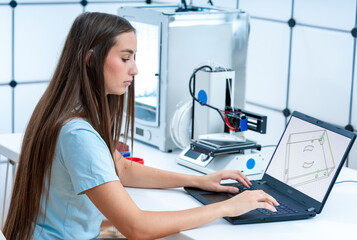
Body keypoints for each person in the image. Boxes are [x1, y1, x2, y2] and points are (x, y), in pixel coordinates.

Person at [2, 12, 278, 240]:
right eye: (125, 58)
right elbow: (137, 227)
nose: (134, 69)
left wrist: (198, 181)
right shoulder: (77, 134)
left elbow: (120, 168)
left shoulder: (62, 110)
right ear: (91, 60)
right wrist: (228, 208)